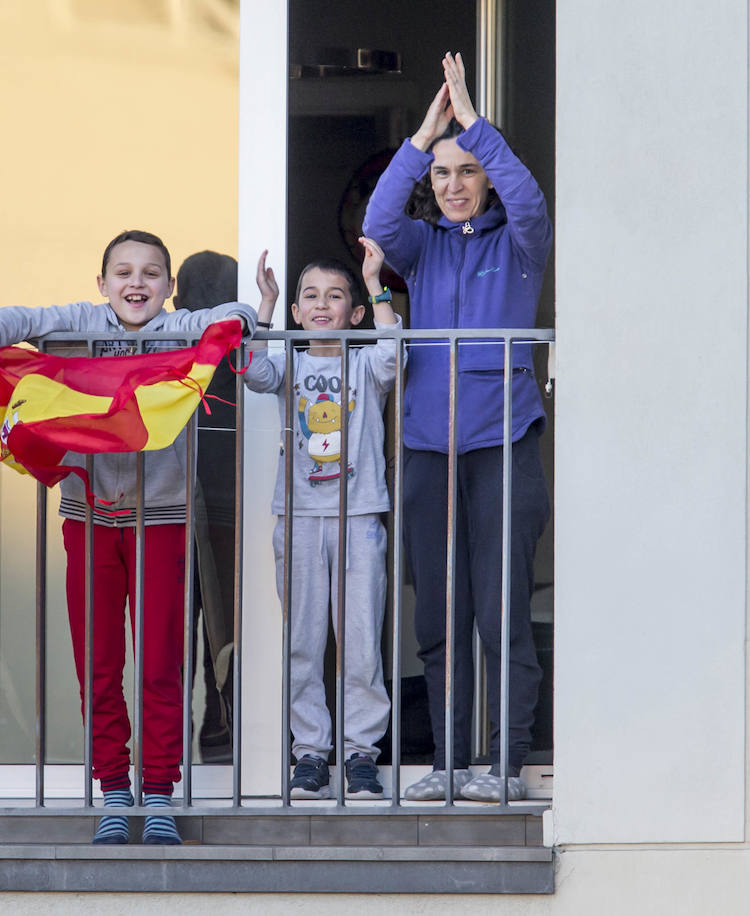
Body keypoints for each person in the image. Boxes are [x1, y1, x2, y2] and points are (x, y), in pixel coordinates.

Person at [0, 230, 260, 844]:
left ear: (169, 288)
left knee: (160, 662)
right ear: (100, 284)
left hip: (164, 520)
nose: (136, 283)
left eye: (152, 273)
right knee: (98, 662)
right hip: (90, 521)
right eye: (123, 272)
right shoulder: (77, 323)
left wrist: (245, 317)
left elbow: (232, 315)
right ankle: (114, 790)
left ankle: (158, 791)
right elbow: (20, 315)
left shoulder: (181, 329)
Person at [361, 53, 552, 802]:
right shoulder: (422, 245)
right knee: (440, 618)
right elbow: (378, 221)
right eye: (441, 175)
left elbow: (530, 201)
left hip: (502, 444)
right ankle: (448, 764)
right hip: (426, 449)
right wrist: (424, 136)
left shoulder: (519, 244)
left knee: (502, 613)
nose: (453, 185)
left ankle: (503, 767)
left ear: (485, 178)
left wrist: (474, 123)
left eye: (466, 171)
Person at [243, 245, 401, 799]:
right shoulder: (289, 360)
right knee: (304, 642)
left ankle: (361, 752)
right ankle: (310, 753)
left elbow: (393, 355)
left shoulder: (363, 365)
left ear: (353, 314)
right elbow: (252, 371)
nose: (321, 305)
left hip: (357, 517)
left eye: (335, 297)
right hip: (300, 516)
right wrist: (263, 306)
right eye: (309, 295)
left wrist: (374, 283)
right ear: (296, 312)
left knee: (359, 641)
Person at [172, 250, 239, 761]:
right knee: (203, 635)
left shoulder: (238, 353)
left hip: (215, 508)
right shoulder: (173, 348)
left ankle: (200, 747)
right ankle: (199, 744)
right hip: (181, 507)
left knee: (208, 635)